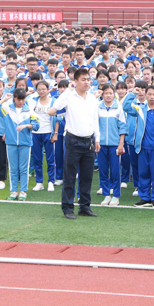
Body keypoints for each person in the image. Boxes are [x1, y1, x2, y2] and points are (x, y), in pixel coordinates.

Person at [48, 68, 100, 219]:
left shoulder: (92, 98)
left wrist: (97, 139)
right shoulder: (69, 97)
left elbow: (95, 120)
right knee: (70, 176)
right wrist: (67, 92)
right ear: (75, 81)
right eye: (83, 79)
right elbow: (52, 111)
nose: (86, 82)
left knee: (87, 176)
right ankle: (68, 208)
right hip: (73, 140)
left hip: (89, 140)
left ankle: (85, 207)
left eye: (88, 79)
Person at [123, 84, 154, 208]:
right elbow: (125, 107)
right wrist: (132, 94)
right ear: (145, 95)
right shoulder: (140, 109)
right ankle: (144, 197)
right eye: (149, 94)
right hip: (142, 147)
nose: (151, 97)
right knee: (143, 173)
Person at [0, 87, 38, 201]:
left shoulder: (29, 110)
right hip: (11, 142)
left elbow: (36, 125)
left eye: (23, 99)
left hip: (25, 143)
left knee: (23, 168)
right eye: (19, 99)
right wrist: (4, 99)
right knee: (13, 168)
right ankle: (13, 191)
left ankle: (23, 191)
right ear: (14, 98)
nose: (21, 102)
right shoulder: (7, 109)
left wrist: (26, 126)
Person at [96, 84, 127, 206]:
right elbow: (95, 126)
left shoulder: (118, 108)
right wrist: (96, 141)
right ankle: (106, 195)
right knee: (103, 171)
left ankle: (116, 196)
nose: (108, 95)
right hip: (101, 144)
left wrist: (121, 144)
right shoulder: (97, 108)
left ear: (114, 94)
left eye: (110, 93)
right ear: (102, 94)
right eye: (106, 93)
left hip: (115, 144)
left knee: (115, 171)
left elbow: (122, 127)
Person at [30, 81, 56, 192]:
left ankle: (51, 181)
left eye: (43, 89)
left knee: (50, 158)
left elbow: (58, 117)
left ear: (48, 89)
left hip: (48, 132)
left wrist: (55, 133)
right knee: (37, 158)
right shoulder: (33, 101)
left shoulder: (53, 101)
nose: (41, 91)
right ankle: (39, 182)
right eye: (39, 89)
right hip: (35, 133)